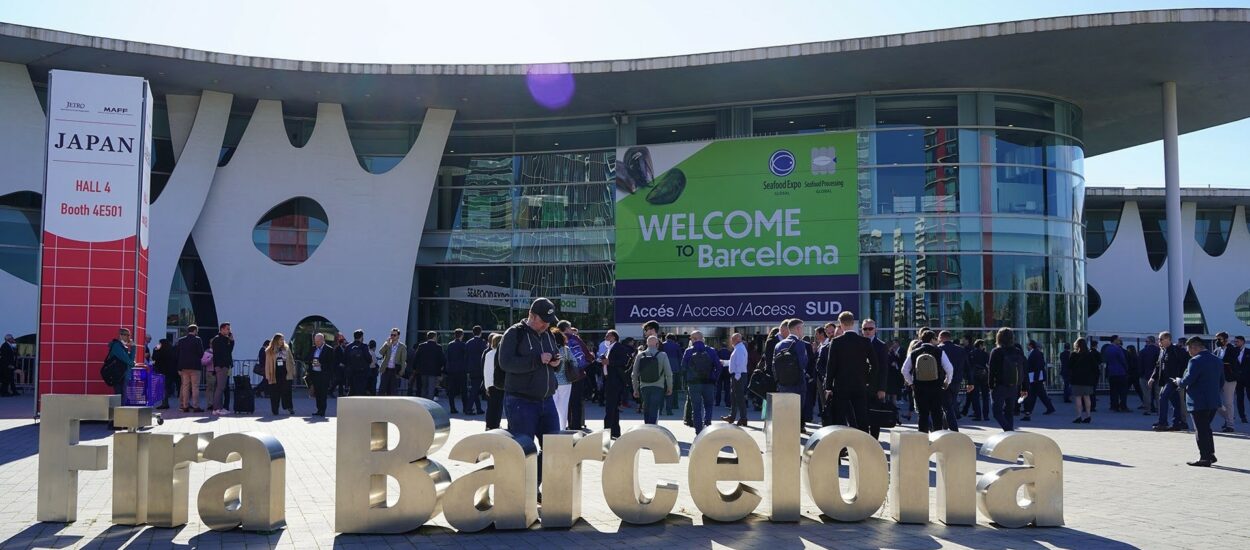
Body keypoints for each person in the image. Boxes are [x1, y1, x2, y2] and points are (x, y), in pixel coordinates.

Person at [499, 297, 562, 493]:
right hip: (521, 401)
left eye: (549, 321)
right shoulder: (513, 334)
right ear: (531, 315)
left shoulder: (548, 335)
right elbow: (506, 363)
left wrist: (555, 363)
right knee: (524, 449)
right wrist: (537, 360)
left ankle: (532, 487)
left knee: (554, 448)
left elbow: (553, 358)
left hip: (547, 400)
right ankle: (520, 492)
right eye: (542, 320)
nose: (545, 325)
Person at [824, 312, 884, 434]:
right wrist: (867, 380)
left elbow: (831, 367)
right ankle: (863, 447)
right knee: (862, 418)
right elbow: (875, 365)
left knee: (840, 419)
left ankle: (841, 448)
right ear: (853, 323)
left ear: (841, 324)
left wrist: (828, 387)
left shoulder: (836, 342)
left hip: (841, 386)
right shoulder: (865, 342)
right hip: (860, 385)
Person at [1178, 337, 1224, 467]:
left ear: (1195, 347)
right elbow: (1221, 381)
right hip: (1213, 400)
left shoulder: (1195, 361)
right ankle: (1210, 454)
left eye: (1189, 350)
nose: (1189, 353)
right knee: (1206, 428)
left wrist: (1178, 382)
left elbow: (1188, 380)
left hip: (1198, 401)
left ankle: (1205, 458)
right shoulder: (1217, 360)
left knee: (1201, 430)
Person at [901, 330, 954, 433]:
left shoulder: (914, 352)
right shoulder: (939, 351)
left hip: (919, 388)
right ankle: (937, 437)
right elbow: (949, 369)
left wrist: (911, 383)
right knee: (936, 413)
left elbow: (904, 370)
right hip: (936, 387)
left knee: (923, 415)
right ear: (931, 339)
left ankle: (923, 439)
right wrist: (947, 381)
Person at [773, 319, 810, 428]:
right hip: (798, 384)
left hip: (783, 384)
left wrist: (778, 381)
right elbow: (803, 364)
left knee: (785, 413)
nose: (803, 331)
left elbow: (773, 366)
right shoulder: (800, 344)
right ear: (798, 329)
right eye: (802, 328)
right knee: (797, 413)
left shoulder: (778, 345)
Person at [988, 328, 1027, 432]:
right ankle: (1009, 434)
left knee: (997, 412)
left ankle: (1009, 432)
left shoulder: (996, 351)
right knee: (1009, 412)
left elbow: (991, 371)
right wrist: (1024, 387)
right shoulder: (1018, 351)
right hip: (1014, 386)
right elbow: (1024, 370)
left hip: (999, 386)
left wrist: (990, 386)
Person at [683, 330, 721, 434]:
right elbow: (718, 366)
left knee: (696, 408)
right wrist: (714, 379)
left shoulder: (689, 351)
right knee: (708, 405)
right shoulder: (711, 350)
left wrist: (688, 379)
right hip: (709, 383)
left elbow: (683, 367)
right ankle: (707, 425)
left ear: (694, 339)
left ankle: (698, 431)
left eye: (691, 338)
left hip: (694, 383)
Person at [1150, 331, 1189, 431]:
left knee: (1163, 397)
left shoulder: (1176, 350)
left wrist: (1181, 378)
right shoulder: (1162, 351)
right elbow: (1158, 365)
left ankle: (1163, 422)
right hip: (1166, 380)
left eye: (1161, 339)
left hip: (1173, 380)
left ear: (1168, 339)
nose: (1159, 341)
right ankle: (1177, 423)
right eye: (1159, 339)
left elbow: (1186, 363)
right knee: (1176, 402)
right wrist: (1152, 378)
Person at [632, 335, 673, 425]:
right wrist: (670, 387)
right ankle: (652, 427)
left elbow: (634, 374)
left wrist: (635, 388)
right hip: (658, 386)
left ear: (646, 344)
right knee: (654, 407)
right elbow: (668, 373)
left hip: (644, 386)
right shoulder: (663, 355)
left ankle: (647, 426)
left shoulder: (640, 355)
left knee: (646, 407)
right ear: (657, 344)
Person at [602, 330, 631, 438]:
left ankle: (607, 430)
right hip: (609, 379)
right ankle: (614, 431)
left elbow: (623, 361)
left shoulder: (619, 347)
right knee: (613, 407)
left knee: (610, 407)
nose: (605, 337)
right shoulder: (609, 348)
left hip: (615, 381)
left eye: (607, 335)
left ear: (613, 337)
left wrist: (610, 363)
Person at [937, 330, 967, 431]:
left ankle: (954, 430)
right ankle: (945, 428)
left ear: (941, 337)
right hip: (957, 381)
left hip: (943, 381)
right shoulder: (960, 350)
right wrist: (970, 382)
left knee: (947, 407)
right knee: (950, 404)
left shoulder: (938, 349)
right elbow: (967, 366)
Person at [1019, 340, 1056, 421]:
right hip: (1035, 378)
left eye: (1027, 345)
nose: (1026, 347)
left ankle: (1029, 411)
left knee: (1035, 394)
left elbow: (1038, 366)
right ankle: (1030, 410)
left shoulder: (1036, 353)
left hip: (1036, 378)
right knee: (1037, 395)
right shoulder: (1034, 353)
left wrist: (1036, 378)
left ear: (1031, 345)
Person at [1069, 337, 1100, 423]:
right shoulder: (1090, 355)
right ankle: (1088, 415)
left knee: (1078, 397)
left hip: (1076, 379)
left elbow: (1070, 367)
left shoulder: (1074, 355)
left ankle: (1079, 416)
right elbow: (1095, 368)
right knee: (1087, 397)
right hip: (1088, 380)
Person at [722, 333, 750, 426]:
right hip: (738, 375)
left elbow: (740, 363)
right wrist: (725, 363)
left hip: (739, 375)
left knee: (739, 397)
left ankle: (743, 418)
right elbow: (735, 362)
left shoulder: (739, 349)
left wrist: (737, 376)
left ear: (737, 340)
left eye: (733, 339)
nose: (731, 341)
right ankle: (732, 416)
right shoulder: (739, 348)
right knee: (734, 397)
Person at [304, 333, 335, 416]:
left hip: (324, 374)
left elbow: (331, 363)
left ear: (322, 340)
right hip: (314, 374)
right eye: (315, 341)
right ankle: (318, 409)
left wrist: (321, 364)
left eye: (318, 341)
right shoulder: (313, 348)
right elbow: (307, 358)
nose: (316, 342)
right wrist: (311, 361)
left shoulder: (329, 349)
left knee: (323, 393)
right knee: (317, 392)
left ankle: (322, 410)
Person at [263, 332, 295, 415]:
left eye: (283, 339)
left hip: (285, 372)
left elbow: (291, 360)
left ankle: (289, 407)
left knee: (287, 391)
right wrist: (268, 374)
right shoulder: (269, 350)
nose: (282, 341)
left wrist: (293, 371)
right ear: (276, 340)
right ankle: (275, 410)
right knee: (274, 393)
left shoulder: (287, 348)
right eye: (281, 339)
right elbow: (267, 364)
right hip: (275, 372)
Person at [176, 325, 204, 413]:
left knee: (185, 386)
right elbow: (201, 354)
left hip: (184, 367)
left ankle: (185, 406)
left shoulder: (181, 340)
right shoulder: (197, 340)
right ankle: (196, 406)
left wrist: (179, 367)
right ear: (195, 330)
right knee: (195, 387)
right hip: (195, 367)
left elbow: (178, 354)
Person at [1214, 331, 1238, 433]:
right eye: (1217, 339)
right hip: (1218, 379)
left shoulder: (1232, 350)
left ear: (1226, 340)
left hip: (1229, 379)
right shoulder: (1217, 350)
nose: (1217, 341)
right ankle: (1229, 417)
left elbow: (1233, 362)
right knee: (1215, 402)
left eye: (1219, 339)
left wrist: (1222, 363)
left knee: (1228, 403)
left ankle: (1230, 425)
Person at [411, 331, 445, 401]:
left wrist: (415, 368)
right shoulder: (438, 347)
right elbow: (442, 359)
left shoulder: (421, 346)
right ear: (434, 337)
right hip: (434, 371)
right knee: (431, 388)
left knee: (424, 387)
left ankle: (423, 403)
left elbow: (416, 358)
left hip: (423, 370)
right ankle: (429, 403)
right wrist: (441, 368)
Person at [551, 330, 575, 430]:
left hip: (552, 381)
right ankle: (562, 428)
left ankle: (553, 427)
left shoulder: (550, 349)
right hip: (566, 382)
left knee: (552, 406)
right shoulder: (566, 350)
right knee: (563, 407)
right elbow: (575, 363)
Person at [209, 322, 234, 415]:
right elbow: (226, 352)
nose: (229, 331)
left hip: (221, 366)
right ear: (222, 329)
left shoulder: (219, 339)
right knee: (220, 388)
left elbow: (228, 352)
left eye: (229, 329)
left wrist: (231, 341)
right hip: (222, 366)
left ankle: (218, 408)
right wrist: (231, 341)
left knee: (220, 387)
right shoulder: (220, 339)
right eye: (227, 329)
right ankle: (216, 408)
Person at [444, 328, 472, 414]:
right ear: (462, 335)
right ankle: (465, 408)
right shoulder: (464, 345)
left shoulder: (450, 345)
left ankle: (452, 408)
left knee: (451, 391)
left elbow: (447, 358)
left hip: (452, 371)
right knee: (464, 390)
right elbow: (467, 358)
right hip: (461, 371)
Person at [962, 339, 990, 421]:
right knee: (985, 396)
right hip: (984, 376)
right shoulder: (985, 354)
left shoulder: (971, 353)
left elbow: (967, 366)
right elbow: (988, 364)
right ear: (981, 345)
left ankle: (978, 415)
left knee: (975, 396)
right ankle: (986, 415)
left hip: (974, 376)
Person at [483, 333, 505, 430]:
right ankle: (496, 424)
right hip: (500, 383)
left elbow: (486, 370)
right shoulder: (502, 354)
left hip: (491, 383)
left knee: (491, 406)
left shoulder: (488, 354)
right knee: (498, 406)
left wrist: (486, 385)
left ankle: (489, 425)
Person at [464, 326, 488, 415]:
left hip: (471, 369)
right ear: (480, 332)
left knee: (475, 388)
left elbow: (466, 357)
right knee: (475, 390)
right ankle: (468, 408)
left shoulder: (468, 343)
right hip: (480, 369)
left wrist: (467, 369)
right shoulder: (482, 343)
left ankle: (478, 408)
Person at [1102, 336, 1129, 412]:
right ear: (1115, 340)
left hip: (1111, 372)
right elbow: (1122, 360)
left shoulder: (1107, 349)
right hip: (1120, 372)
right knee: (1123, 391)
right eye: (1118, 340)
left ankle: (1114, 406)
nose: (1120, 341)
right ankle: (1123, 406)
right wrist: (1126, 368)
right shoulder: (1118, 349)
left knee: (1113, 390)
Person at [107, 328, 136, 398]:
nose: (129, 337)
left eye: (129, 335)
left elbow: (130, 359)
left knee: (123, 395)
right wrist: (132, 363)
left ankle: (120, 408)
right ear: (120, 336)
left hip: (123, 374)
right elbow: (128, 361)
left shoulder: (123, 347)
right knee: (120, 396)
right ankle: (118, 409)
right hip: (118, 374)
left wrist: (133, 347)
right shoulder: (117, 346)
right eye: (126, 335)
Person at [377, 328, 406, 396]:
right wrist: (387, 345)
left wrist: (401, 372)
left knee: (393, 390)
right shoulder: (387, 344)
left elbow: (403, 360)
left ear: (398, 336)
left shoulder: (402, 347)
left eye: (394, 335)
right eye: (391, 335)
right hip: (386, 369)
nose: (392, 337)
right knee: (382, 389)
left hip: (395, 370)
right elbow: (380, 352)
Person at [153, 337, 178, 409]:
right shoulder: (171, 349)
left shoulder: (159, 350)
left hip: (161, 371)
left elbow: (154, 357)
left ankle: (164, 403)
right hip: (170, 371)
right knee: (167, 387)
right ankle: (165, 402)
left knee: (163, 388)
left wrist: (155, 349)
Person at [662, 333, 684, 415]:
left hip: (664, 369)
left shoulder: (662, 345)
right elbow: (680, 358)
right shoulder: (676, 346)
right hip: (675, 369)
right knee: (673, 389)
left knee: (663, 388)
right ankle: (674, 405)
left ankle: (661, 408)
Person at [1138, 336, 1161, 414]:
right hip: (1158, 375)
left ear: (1148, 342)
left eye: (1146, 341)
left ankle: (1148, 410)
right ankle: (1159, 409)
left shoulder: (1142, 352)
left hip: (1145, 375)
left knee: (1147, 393)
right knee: (1158, 393)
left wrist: (1141, 374)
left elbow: (1140, 364)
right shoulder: (1159, 351)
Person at [1234, 335, 1249, 424]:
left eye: (1237, 341)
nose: (1236, 343)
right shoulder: (1233, 351)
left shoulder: (1248, 351)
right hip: (1238, 379)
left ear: (1243, 342)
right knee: (1240, 398)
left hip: (1248, 378)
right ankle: (1242, 416)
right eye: (1235, 342)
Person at [331, 332, 349, 398]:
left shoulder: (344, 349)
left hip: (342, 368)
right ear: (341, 343)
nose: (345, 344)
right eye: (344, 343)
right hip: (337, 367)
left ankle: (340, 393)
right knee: (338, 380)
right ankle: (330, 390)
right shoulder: (337, 349)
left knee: (341, 381)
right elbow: (335, 358)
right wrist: (339, 363)